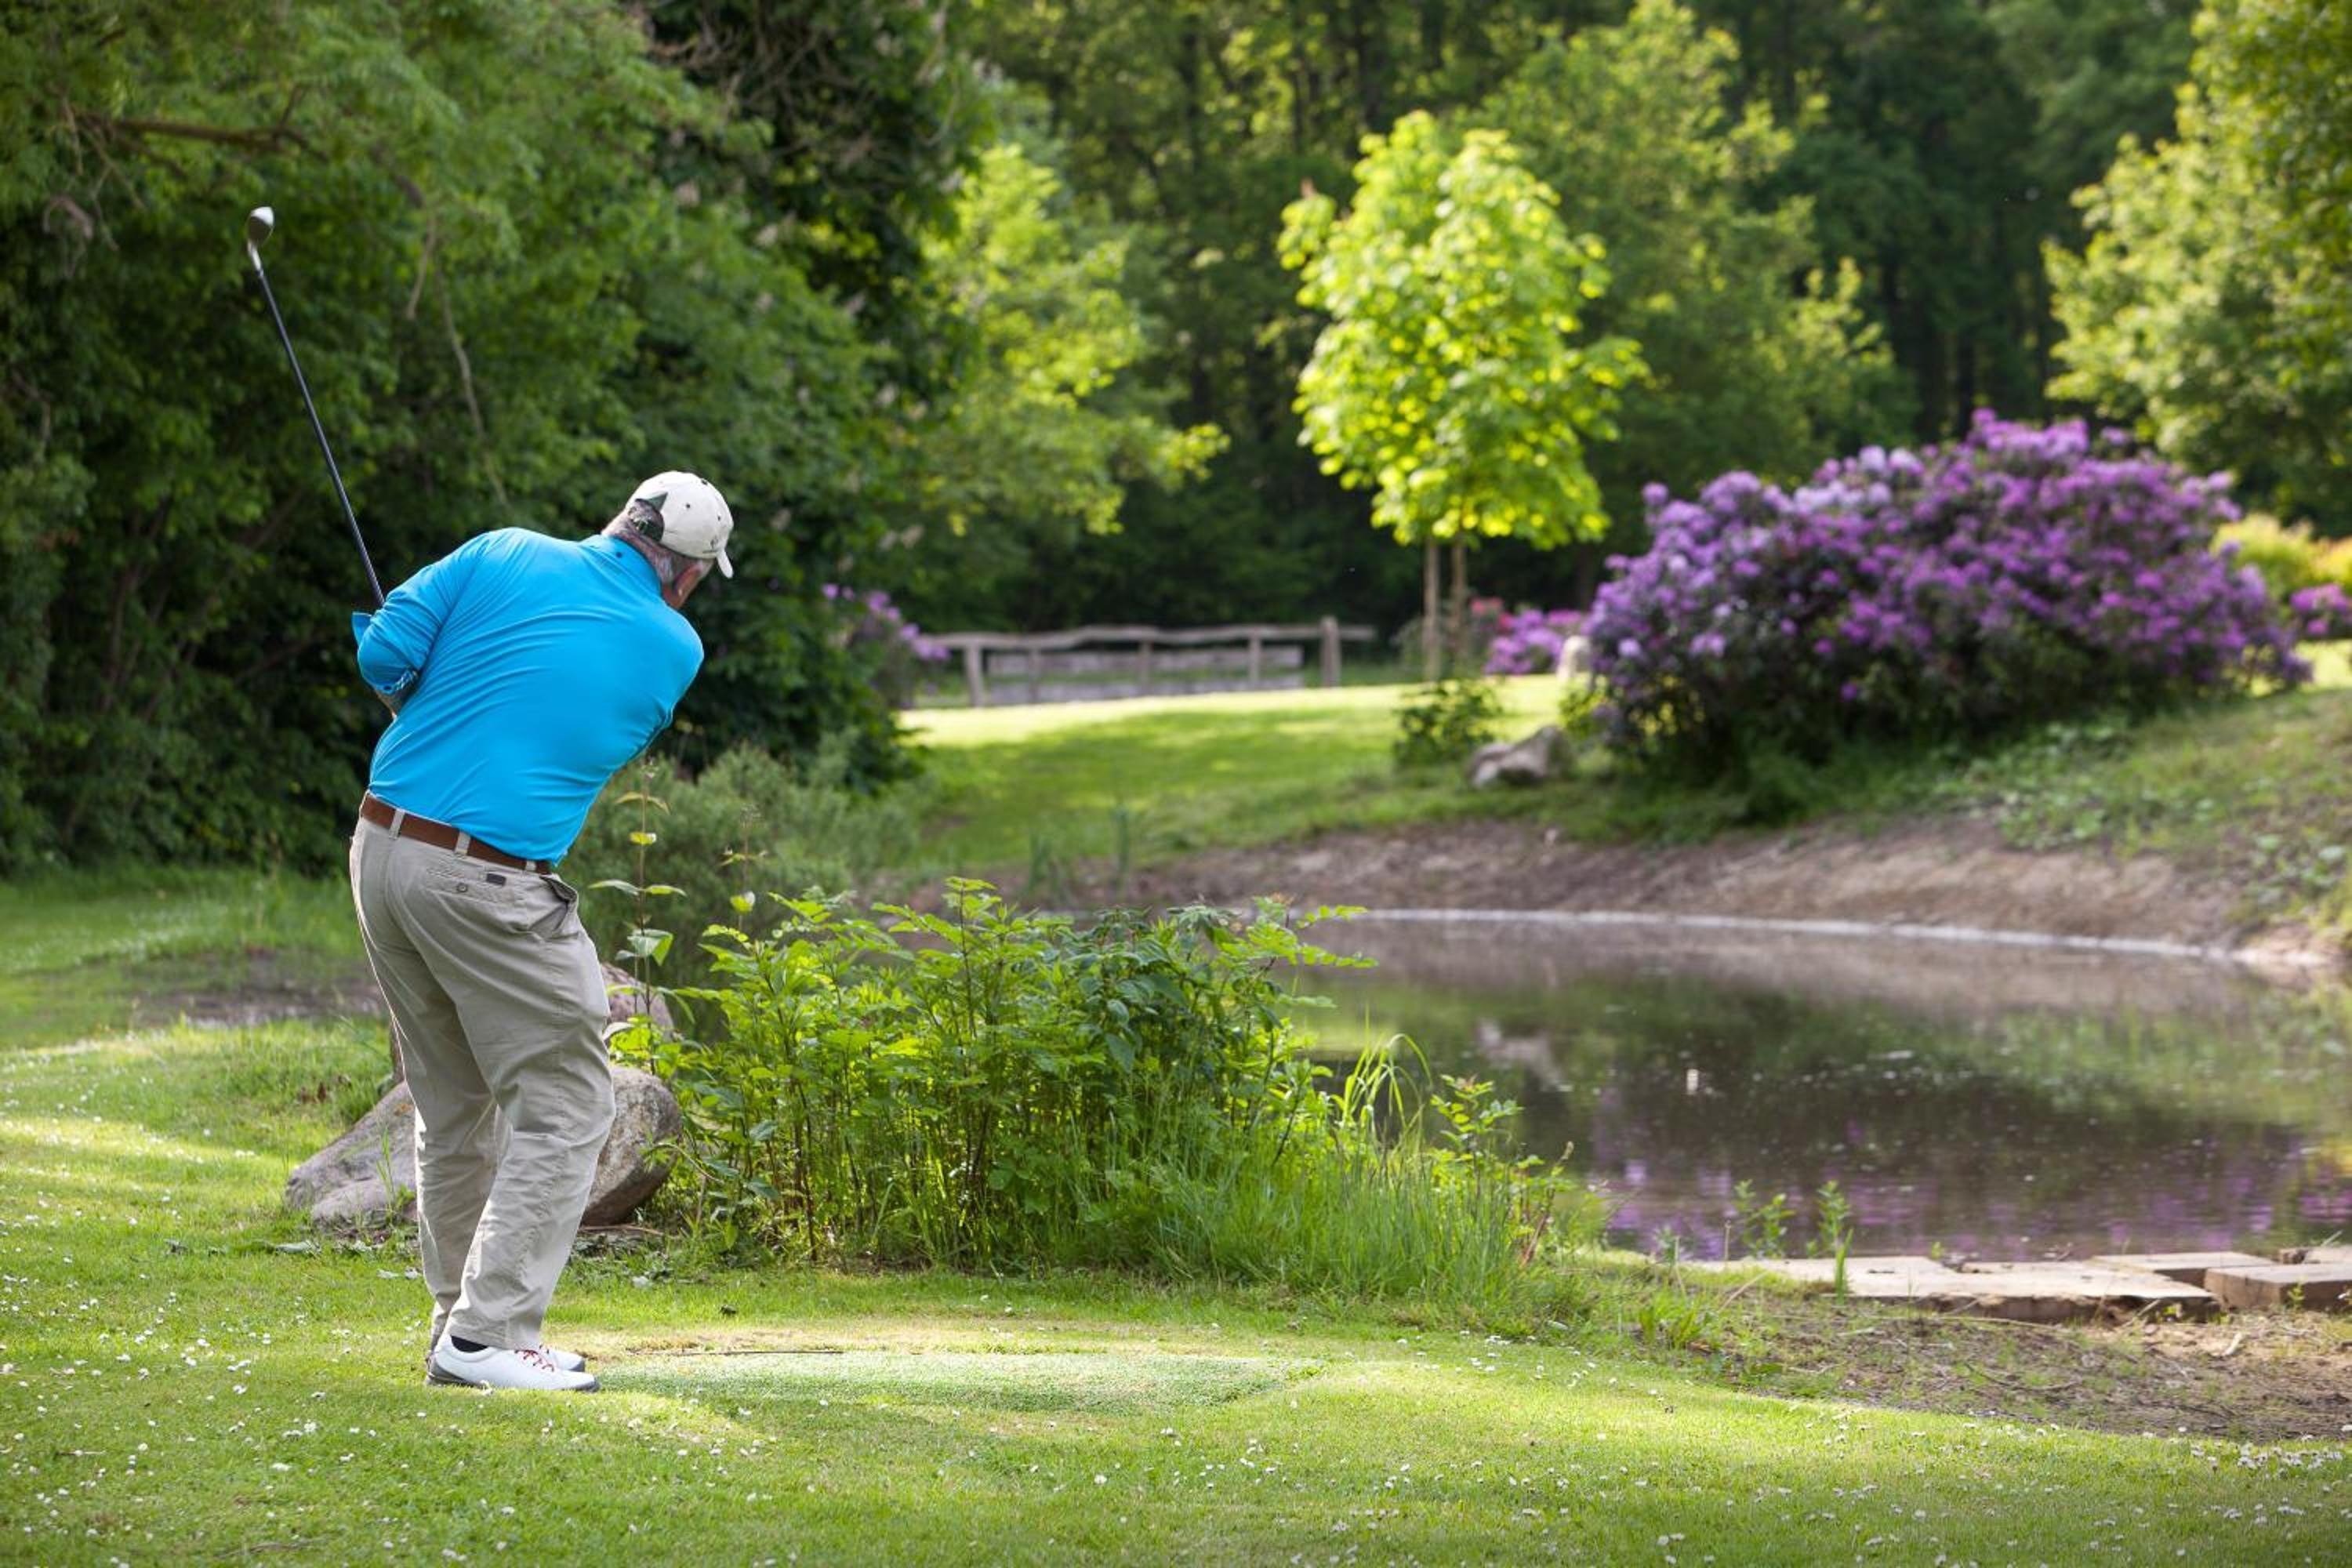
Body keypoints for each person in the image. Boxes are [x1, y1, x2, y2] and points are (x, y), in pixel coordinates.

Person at [346, 472, 732, 1392]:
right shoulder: (673, 646)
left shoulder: (503, 548)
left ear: (621, 521)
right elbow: (587, 728)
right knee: (569, 1103)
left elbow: (384, 655)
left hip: (381, 850)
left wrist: (420, 685)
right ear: (686, 573)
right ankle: (487, 1335)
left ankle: (458, 1327)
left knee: (453, 1106)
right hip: (485, 879)